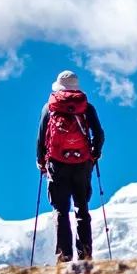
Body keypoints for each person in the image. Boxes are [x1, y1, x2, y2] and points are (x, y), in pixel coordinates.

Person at [36, 70, 105, 262]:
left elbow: (41, 136)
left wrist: (41, 161)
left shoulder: (49, 107)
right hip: (82, 163)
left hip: (57, 163)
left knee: (61, 210)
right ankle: (85, 255)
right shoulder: (87, 107)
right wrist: (94, 154)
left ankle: (64, 256)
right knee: (82, 209)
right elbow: (99, 134)